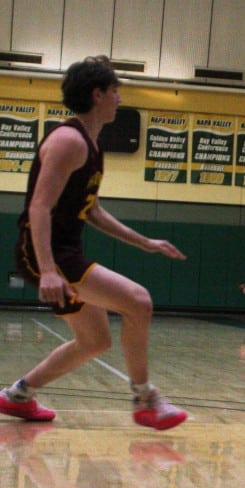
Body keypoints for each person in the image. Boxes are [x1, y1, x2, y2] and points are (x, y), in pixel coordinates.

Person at [0, 56, 187, 430]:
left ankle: (17, 396)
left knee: (95, 341)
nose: (120, 98)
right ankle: (145, 399)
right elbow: (39, 206)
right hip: (48, 253)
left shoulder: (91, 143)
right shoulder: (68, 140)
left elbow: (94, 211)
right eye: (115, 91)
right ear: (97, 94)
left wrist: (145, 242)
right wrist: (48, 270)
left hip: (63, 252)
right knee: (139, 302)